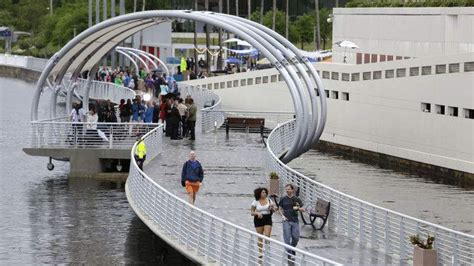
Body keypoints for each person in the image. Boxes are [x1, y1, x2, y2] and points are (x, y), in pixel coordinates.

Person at [278, 184, 304, 260]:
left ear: (292, 190)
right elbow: (279, 208)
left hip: (295, 220)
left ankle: (292, 248)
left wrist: (298, 208)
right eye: (286, 189)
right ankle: (289, 252)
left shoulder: (297, 199)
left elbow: (303, 208)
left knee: (296, 237)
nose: (287, 190)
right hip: (286, 220)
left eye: (289, 189)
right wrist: (282, 216)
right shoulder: (283, 198)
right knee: (287, 237)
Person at [251, 187, 276, 258]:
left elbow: (274, 210)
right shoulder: (255, 201)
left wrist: (273, 208)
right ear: (259, 193)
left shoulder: (269, 200)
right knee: (260, 236)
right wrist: (257, 213)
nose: (264, 194)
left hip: (267, 218)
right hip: (258, 219)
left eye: (265, 192)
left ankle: (267, 250)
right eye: (263, 192)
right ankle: (260, 252)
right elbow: (252, 212)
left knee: (267, 236)